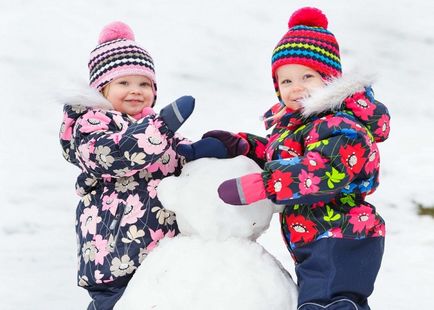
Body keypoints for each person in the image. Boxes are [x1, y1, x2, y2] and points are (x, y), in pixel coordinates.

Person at [178, 7, 390, 310]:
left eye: (307, 76)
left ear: (330, 79)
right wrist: (241, 146)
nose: (296, 87)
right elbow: (284, 156)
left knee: (329, 305)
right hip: (319, 237)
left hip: (342, 235)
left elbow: (322, 171)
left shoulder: (342, 126)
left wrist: (263, 184)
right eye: (286, 81)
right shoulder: (304, 126)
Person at [59, 21, 194, 310]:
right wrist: (163, 126)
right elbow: (119, 155)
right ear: (102, 88)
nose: (136, 91)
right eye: (124, 83)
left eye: (144, 83)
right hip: (114, 252)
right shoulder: (92, 124)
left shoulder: (151, 126)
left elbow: (175, 155)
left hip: (154, 249)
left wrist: (200, 150)